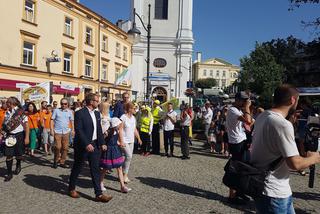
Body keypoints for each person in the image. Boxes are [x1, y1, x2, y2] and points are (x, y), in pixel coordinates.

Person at [251, 85, 320, 214]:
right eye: (298, 101)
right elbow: (295, 164)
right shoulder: (282, 124)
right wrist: (314, 158)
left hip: (268, 187)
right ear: (292, 100)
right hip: (274, 191)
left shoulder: (263, 116)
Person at [69, 93, 112, 202]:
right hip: (83, 146)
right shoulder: (79, 113)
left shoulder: (97, 114)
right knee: (77, 167)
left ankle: (99, 194)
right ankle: (71, 188)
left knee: (95, 169)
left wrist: (102, 142)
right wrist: (87, 143)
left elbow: (98, 129)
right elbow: (79, 130)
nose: (98, 102)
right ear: (91, 101)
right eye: (97, 100)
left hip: (95, 144)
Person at [225, 91, 252, 205]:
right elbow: (248, 121)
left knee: (243, 168)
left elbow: (248, 125)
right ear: (237, 100)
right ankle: (232, 196)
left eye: (246, 100)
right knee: (235, 169)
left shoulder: (239, 110)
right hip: (236, 142)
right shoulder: (233, 110)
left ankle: (240, 191)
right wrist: (247, 107)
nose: (245, 102)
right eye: (243, 100)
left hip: (241, 140)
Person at [0, 97, 29, 182]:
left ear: (11, 103)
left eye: (7, 102)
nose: (5, 104)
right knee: (9, 155)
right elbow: (4, 125)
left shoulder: (21, 112)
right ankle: (9, 173)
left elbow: (26, 126)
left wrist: (27, 137)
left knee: (18, 154)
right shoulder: (7, 112)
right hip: (9, 135)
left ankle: (18, 165)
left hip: (19, 135)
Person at [100, 117, 132, 193]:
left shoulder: (116, 131)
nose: (120, 125)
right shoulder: (108, 132)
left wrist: (119, 143)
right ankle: (100, 183)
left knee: (119, 168)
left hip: (115, 150)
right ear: (115, 125)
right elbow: (103, 140)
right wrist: (103, 144)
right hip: (109, 151)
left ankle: (122, 186)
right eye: (118, 124)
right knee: (105, 168)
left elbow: (115, 140)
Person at [120, 102, 142, 183]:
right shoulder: (123, 117)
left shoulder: (133, 118)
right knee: (128, 156)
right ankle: (123, 174)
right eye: (133, 108)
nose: (135, 109)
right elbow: (120, 129)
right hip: (124, 141)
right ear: (129, 109)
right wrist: (121, 140)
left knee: (129, 158)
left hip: (131, 140)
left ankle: (124, 174)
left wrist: (138, 138)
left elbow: (134, 129)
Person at [51, 98, 74, 168]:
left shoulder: (70, 112)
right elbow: (52, 120)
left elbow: (72, 121)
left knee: (65, 148)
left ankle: (62, 162)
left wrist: (73, 130)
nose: (63, 105)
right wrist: (52, 129)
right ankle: (56, 160)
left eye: (65, 104)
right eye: (62, 104)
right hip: (57, 132)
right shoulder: (56, 110)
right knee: (58, 147)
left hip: (66, 132)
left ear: (67, 104)